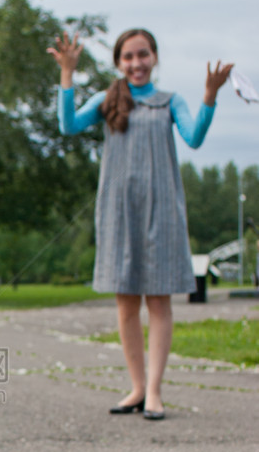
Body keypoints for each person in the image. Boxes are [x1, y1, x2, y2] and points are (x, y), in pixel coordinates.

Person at [47, 29, 232, 419]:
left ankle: (155, 392)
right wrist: (67, 74)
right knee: (126, 300)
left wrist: (210, 96)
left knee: (160, 299)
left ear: (155, 58)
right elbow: (68, 126)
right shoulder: (109, 99)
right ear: (119, 63)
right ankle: (135, 387)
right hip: (119, 209)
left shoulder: (169, 103)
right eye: (128, 57)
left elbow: (194, 138)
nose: (136, 63)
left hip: (162, 209)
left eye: (143, 55)